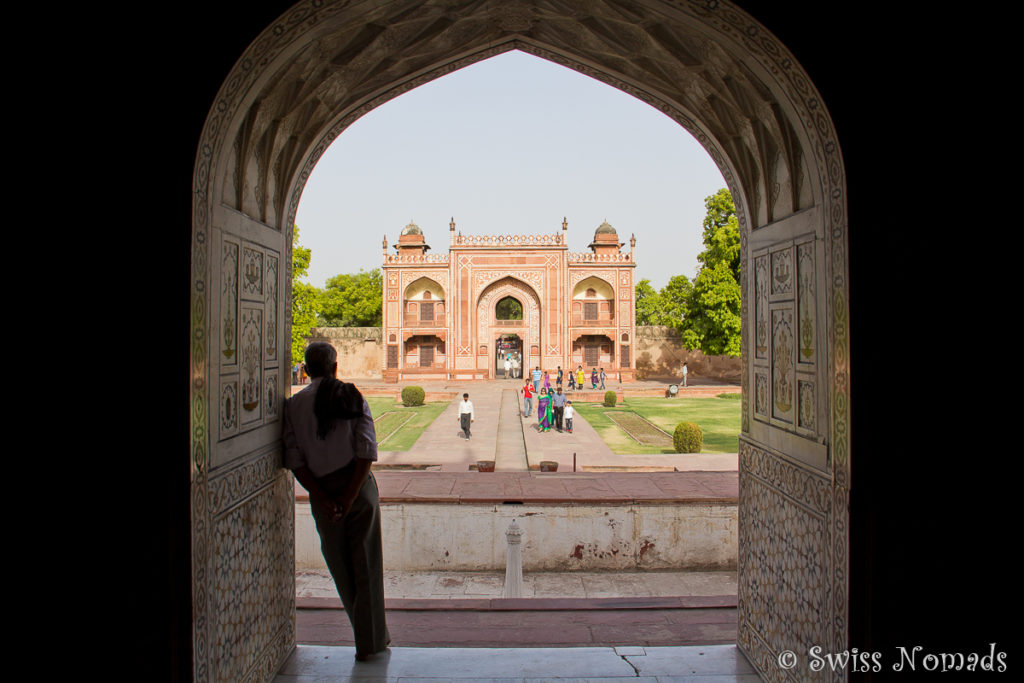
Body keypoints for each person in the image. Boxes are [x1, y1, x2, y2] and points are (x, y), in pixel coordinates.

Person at [282, 342, 390, 661]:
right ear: (334, 366)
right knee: (367, 564)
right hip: (358, 487)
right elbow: (366, 450)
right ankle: (371, 642)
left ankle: (368, 636)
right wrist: (350, 494)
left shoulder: (293, 405)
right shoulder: (351, 395)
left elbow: (293, 458)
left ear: (306, 368)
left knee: (340, 565)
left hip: (323, 492)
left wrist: (324, 497)